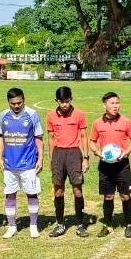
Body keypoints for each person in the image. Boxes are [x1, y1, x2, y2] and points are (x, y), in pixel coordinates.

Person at [0, 87, 44, 239]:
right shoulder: (2, 116)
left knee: (32, 194)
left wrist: (40, 158)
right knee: (10, 195)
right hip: (9, 164)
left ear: (24, 100)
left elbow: (38, 138)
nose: (16, 106)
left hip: (28, 163)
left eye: (19, 103)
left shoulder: (32, 115)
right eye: (13, 103)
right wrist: (0, 157)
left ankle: (33, 226)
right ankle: (12, 227)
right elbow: (1, 137)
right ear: (8, 102)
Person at [90, 91, 131, 237]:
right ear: (104, 105)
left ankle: (129, 224)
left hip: (122, 165)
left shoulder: (126, 121)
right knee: (108, 196)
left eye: (117, 103)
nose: (115, 106)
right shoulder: (97, 123)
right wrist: (98, 153)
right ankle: (108, 225)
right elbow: (92, 142)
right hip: (105, 166)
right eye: (112, 103)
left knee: (125, 196)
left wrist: (126, 152)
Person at [46, 85, 90, 238]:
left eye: (67, 101)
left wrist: (85, 158)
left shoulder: (79, 114)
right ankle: (60, 224)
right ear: (56, 101)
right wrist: (52, 159)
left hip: (74, 154)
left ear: (71, 99)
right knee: (58, 191)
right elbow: (51, 139)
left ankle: (80, 224)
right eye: (61, 102)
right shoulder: (51, 116)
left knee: (77, 190)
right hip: (58, 154)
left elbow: (84, 136)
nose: (65, 104)